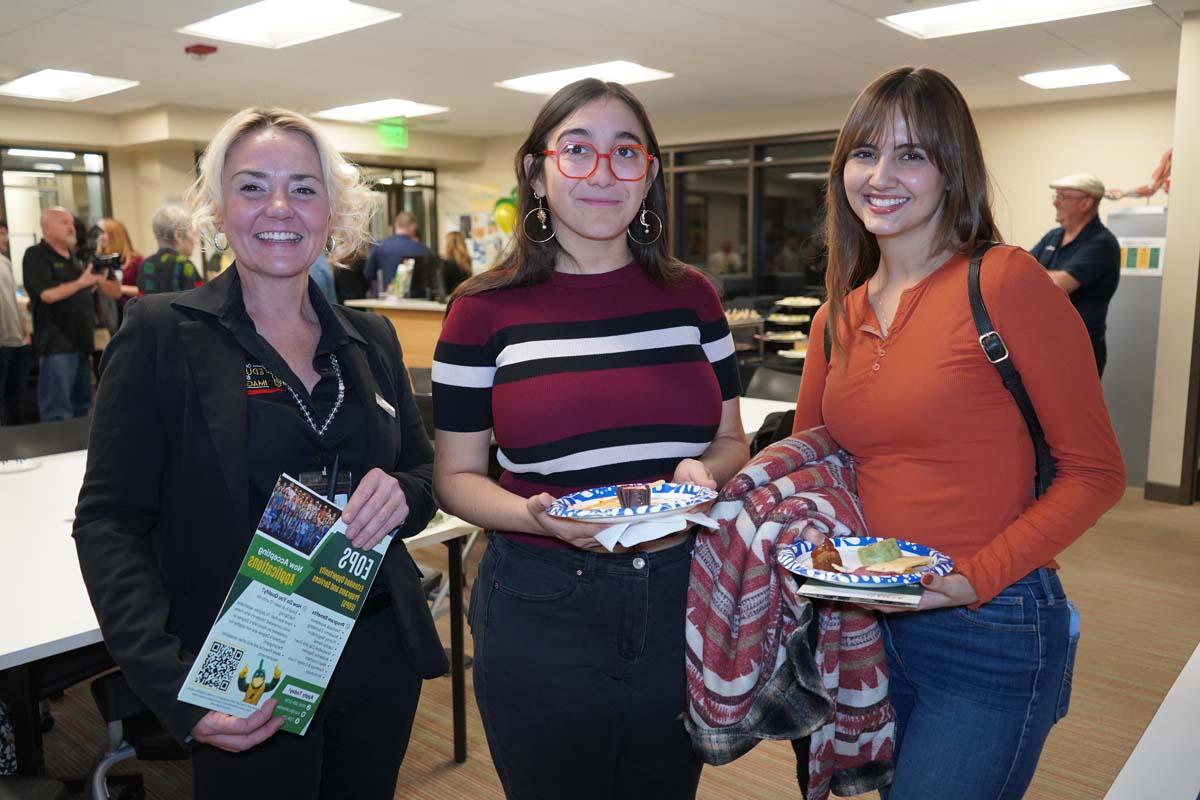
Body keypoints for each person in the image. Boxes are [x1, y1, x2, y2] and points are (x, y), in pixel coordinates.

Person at [73, 107, 447, 800]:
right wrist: (177, 687)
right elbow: (108, 521)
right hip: (246, 663)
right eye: (252, 186)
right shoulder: (161, 334)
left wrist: (402, 494)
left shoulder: (371, 338)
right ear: (218, 208)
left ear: (333, 210)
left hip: (375, 651)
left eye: (304, 188)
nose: (280, 207)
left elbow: (422, 474)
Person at [794, 67, 1125, 800]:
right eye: (864, 152)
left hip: (990, 619)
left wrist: (967, 581)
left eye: (912, 154)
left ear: (952, 170)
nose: (881, 176)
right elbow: (814, 468)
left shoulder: (1005, 281)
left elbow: (1096, 473)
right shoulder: (834, 318)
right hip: (867, 622)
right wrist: (722, 483)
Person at [432, 79, 749, 800]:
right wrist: (533, 514)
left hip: (679, 598)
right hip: (544, 604)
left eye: (625, 152)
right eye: (577, 150)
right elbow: (454, 475)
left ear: (651, 175)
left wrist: (704, 469)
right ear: (536, 172)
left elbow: (733, 438)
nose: (602, 172)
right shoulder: (481, 310)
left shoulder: (693, 297)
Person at [22, 207, 119, 421]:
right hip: (56, 346)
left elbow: (83, 291)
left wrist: (95, 281)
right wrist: (82, 282)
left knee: (82, 407)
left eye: (71, 222)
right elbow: (47, 294)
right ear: (46, 227)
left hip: (82, 344)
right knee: (57, 410)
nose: (71, 227)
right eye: (64, 222)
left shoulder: (75, 259)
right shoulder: (35, 255)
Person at [1030, 173, 1121, 376]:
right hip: (1045, 342)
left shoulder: (1102, 243)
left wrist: (1032, 277)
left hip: (1080, 348)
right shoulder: (1053, 236)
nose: (1056, 202)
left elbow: (1059, 285)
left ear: (1086, 203)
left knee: (1071, 406)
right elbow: (1018, 272)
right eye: (1056, 195)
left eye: (1063, 197)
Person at [0, 219, 32, 424]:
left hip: (16, 342)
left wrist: (25, 330)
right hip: (2, 343)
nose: (5, 240)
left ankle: (15, 450)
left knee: (15, 401)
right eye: (1, 235)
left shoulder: (5, 262)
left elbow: (12, 298)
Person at [137, 204, 204, 295]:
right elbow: (200, 299)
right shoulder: (185, 266)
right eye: (193, 233)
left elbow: (142, 299)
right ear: (178, 235)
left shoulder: (145, 265)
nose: (195, 241)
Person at [362, 210, 428, 296]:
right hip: (415, 303)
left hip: (384, 303)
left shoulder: (379, 246)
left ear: (396, 225)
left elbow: (368, 274)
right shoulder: (423, 250)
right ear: (413, 226)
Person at [96, 217, 144, 305]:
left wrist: (117, 289)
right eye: (99, 234)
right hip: (108, 312)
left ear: (115, 236)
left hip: (130, 310)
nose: (100, 237)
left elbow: (144, 290)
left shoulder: (136, 260)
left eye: (103, 233)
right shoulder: (98, 261)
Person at [439, 230, 472, 296]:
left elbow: (444, 287)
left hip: (451, 298)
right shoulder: (466, 261)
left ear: (448, 244)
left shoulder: (446, 263)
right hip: (464, 297)